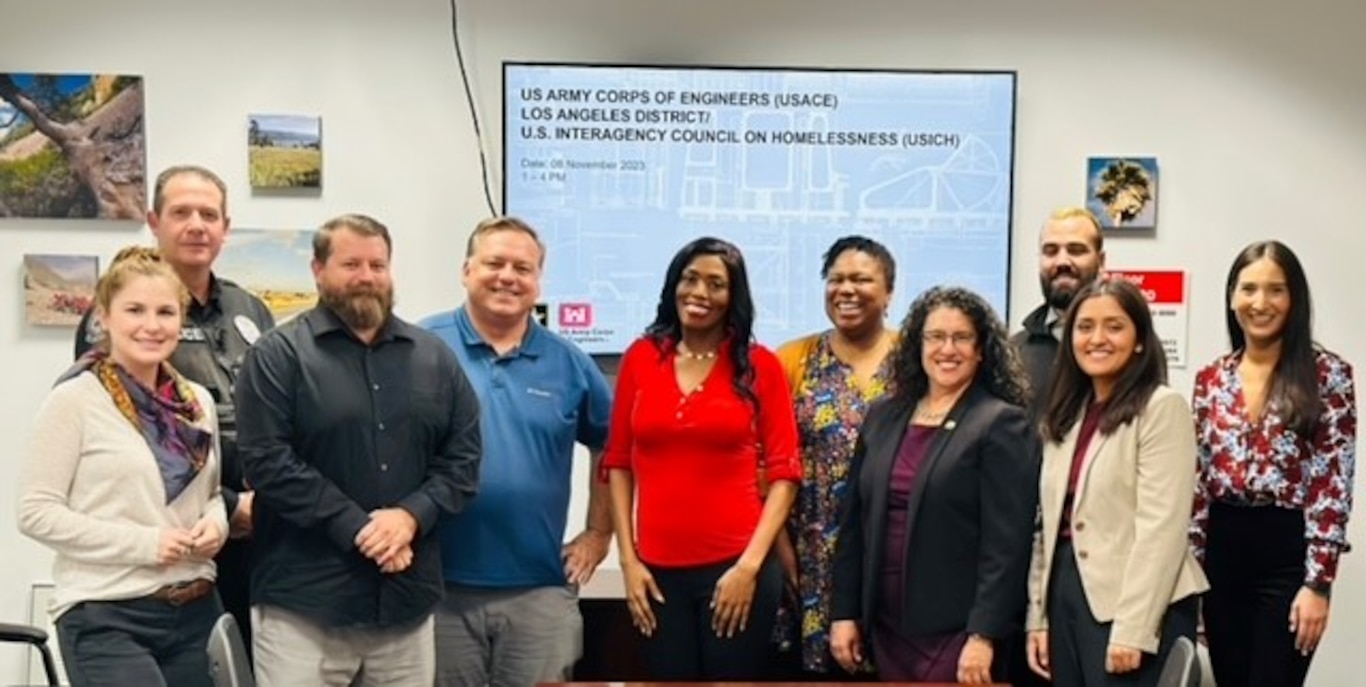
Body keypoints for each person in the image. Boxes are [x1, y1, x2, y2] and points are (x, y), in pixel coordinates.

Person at [235, 214, 483, 686]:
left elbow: (464, 460)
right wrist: (362, 530)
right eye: (351, 263)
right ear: (318, 270)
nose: (366, 276)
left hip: (405, 607)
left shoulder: (433, 356)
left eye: (378, 264)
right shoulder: (277, 355)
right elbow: (267, 462)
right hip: (304, 609)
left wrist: (410, 517)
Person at [72, 165, 274, 649]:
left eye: (209, 214)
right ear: (154, 220)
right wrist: (227, 507)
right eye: (181, 212)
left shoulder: (251, 310)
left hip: (258, 538)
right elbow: (126, 437)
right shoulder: (121, 321)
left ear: (226, 227)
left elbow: (277, 412)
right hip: (173, 546)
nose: (196, 225)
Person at [19, 246, 228, 687]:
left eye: (165, 312)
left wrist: (217, 526)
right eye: (134, 310)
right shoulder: (74, 400)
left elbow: (208, 496)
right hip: (106, 615)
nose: (151, 326)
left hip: (196, 610)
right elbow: (35, 512)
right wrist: (144, 543)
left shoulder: (197, 403)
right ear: (104, 317)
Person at [419, 216, 614, 687]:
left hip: (539, 588)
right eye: (495, 263)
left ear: (538, 281)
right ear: (467, 269)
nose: (508, 276)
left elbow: (610, 446)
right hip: (437, 589)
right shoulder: (421, 347)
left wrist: (597, 533)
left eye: (523, 268)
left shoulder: (568, 361)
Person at [603, 237, 801, 680]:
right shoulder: (640, 358)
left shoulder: (759, 366)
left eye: (716, 284)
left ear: (734, 297)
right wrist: (628, 562)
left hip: (736, 568)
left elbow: (786, 473)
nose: (700, 293)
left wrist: (748, 568)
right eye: (690, 279)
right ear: (674, 284)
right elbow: (618, 463)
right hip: (655, 574)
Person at [829, 286, 1038, 684]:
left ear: (981, 350)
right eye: (936, 337)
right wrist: (844, 612)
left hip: (956, 632)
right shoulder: (882, 416)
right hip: (886, 626)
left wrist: (984, 634)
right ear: (917, 345)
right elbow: (852, 525)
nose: (948, 349)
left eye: (961, 338)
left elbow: (1007, 545)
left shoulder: (1001, 423)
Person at [1026, 279, 1208, 687]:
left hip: (1135, 603)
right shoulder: (1066, 415)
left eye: (1114, 326)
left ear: (1140, 339)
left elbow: (1162, 529)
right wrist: (1036, 617)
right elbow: (1047, 523)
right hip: (1067, 592)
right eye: (1085, 326)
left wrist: (1134, 628)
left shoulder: (1161, 408)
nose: (1097, 338)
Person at [1191, 241, 1356, 687]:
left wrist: (1318, 583)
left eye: (1275, 290)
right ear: (1231, 297)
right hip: (1221, 556)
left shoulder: (1328, 375)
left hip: (1287, 554)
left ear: (1295, 299)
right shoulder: (1211, 378)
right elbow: (1199, 486)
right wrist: (1192, 579)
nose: (1260, 303)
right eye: (1248, 289)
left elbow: (1333, 483)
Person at [771, 235, 897, 677]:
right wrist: (781, 548)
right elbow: (765, 460)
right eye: (835, 279)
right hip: (809, 555)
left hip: (891, 550)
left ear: (888, 293)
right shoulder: (792, 360)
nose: (846, 289)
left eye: (861, 279)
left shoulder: (915, 360)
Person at [1011, 206, 1107, 419]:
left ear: (1101, 262)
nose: (1062, 261)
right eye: (1051, 251)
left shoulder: (1127, 348)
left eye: (1076, 250)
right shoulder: (1013, 355)